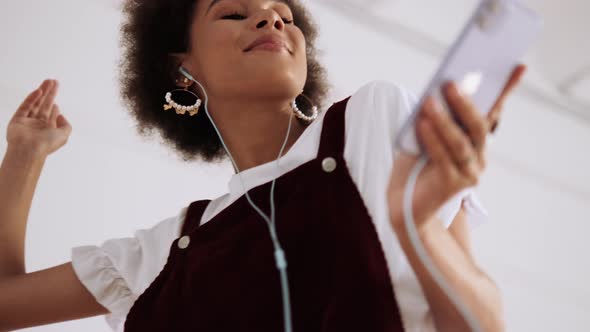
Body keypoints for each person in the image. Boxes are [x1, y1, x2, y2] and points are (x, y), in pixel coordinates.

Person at [0, 0, 525, 331]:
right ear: (182, 68)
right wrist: (23, 157)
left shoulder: (373, 117)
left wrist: (418, 225)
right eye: (234, 12)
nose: (270, 17)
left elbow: (481, 325)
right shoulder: (163, 252)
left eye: (285, 14)